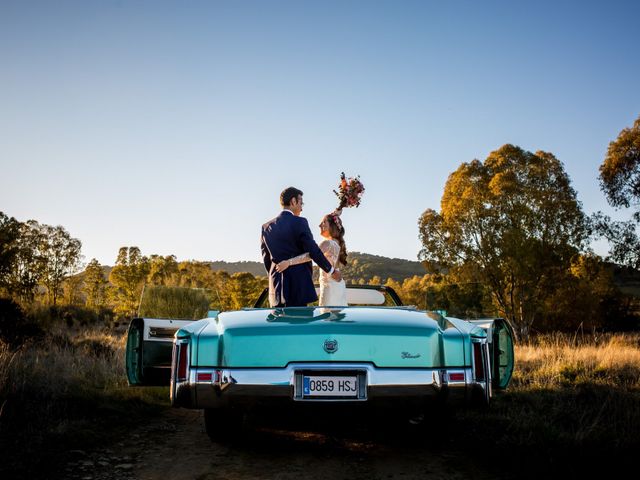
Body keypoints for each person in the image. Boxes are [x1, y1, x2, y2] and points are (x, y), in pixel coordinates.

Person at [261, 187, 342, 307]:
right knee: (300, 324)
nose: (302, 207)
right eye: (301, 202)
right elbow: (313, 251)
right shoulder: (300, 222)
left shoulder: (266, 227)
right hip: (298, 288)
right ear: (293, 201)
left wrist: (275, 277)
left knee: (279, 325)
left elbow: (267, 260)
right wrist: (331, 270)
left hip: (276, 290)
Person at [275, 210, 348, 306]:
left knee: (327, 316)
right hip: (338, 285)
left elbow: (310, 255)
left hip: (329, 288)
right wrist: (336, 212)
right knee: (337, 316)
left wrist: (288, 262)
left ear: (332, 226)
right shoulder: (337, 243)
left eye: (323, 222)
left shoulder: (327, 243)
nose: (319, 225)